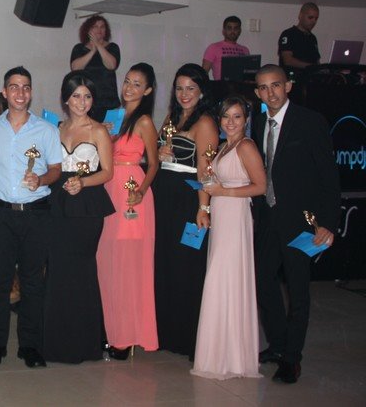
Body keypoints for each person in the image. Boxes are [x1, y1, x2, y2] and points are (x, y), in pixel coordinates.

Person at [252, 65, 339, 384]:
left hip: (301, 222)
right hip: (268, 218)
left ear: (287, 86)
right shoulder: (257, 121)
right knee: (263, 281)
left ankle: (292, 358)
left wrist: (327, 223)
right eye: (263, 88)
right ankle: (278, 344)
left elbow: (329, 176)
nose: (270, 93)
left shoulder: (310, 121)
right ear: (257, 92)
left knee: (298, 290)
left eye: (275, 85)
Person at [0, 66, 62, 368]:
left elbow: (56, 169)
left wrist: (40, 180)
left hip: (35, 214)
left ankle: (29, 346)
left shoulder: (46, 130)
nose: (20, 92)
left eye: (25, 87)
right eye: (14, 87)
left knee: (32, 282)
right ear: (4, 92)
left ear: (31, 92)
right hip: (0, 213)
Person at [192, 96, 266, 380]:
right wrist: (208, 200)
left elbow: (260, 186)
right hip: (222, 214)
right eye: (226, 117)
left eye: (237, 116)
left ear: (246, 120)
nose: (231, 122)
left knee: (225, 277)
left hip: (235, 215)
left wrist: (225, 192)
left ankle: (230, 356)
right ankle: (220, 351)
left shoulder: (246, 146)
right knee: (220, 277)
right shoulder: (225, 146)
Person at [43, 71, 114, 364]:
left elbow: (108, 172)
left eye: (87, 96)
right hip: (57, 202)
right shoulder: (55, 130)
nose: (82, 102)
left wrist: (83, 182)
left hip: (87, 205)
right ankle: (55, 342)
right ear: (65, 99)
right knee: (58, 269)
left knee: (82, 269)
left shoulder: (99, 131)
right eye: (76, 96)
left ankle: (84, 343)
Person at [152, 63, 218, 359]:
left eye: (191, 88)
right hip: (163, 197)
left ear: (202, 91)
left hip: (187, 200)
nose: (184, 93)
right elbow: (156, 154)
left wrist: (203, 208)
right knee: (164, 264)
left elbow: (206, 171)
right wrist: (159, 153)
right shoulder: (172, 117)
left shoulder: (205, 123)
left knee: (187, 267)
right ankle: (165, 332)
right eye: (179, 88)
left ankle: (189, 338)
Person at [97, 63, 159, 360]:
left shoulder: (144, 121)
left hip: (131, 192)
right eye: (127, 81)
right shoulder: (115, 116)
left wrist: (141, 191)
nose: (129, 88)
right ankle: (112, 329)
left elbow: (154, 163)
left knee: (128, 265)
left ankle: (127, 336)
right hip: (109, 187)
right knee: (107, 261)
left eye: (137, 84)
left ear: (147, 90)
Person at [69, 15, 120, 122]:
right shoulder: (79, 48)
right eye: (95, 26)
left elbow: (111, 65)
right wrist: (92, 51)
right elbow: (76, 68)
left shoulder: (113, 47)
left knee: (110, 130)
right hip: (86, 101)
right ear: (88, 30)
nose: (99, 29)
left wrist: (98, 45)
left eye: (102, 27)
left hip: (109, 101)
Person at [201, 16, 250, 80]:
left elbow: (248, 72)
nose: (232, 31)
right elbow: (203, 73)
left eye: (235, 28)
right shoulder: (213, 48)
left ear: (240, 31)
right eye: (229, 28)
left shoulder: (245, 50)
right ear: (223, 31)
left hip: (241, 85)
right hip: (222, 85)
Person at [278, 3, 321, 71]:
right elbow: (288, 60)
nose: (313, 21)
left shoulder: (312, 38)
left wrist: (322, 69)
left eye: (316, 18)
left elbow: (317, 61)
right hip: (293, 76)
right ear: (300, 16)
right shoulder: (288, 34)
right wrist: (311, 67)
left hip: (311, 76)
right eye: (310, 17)